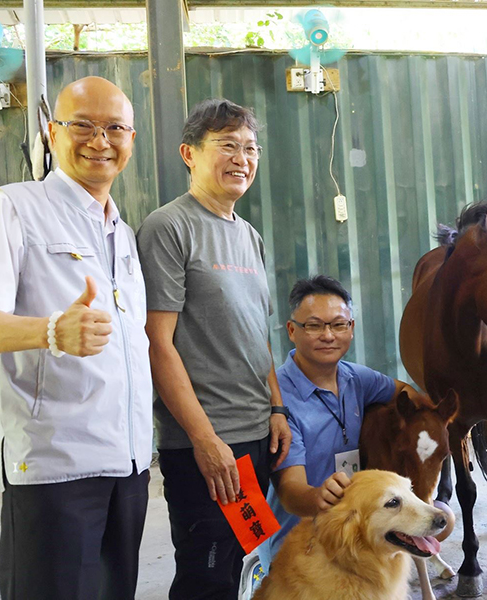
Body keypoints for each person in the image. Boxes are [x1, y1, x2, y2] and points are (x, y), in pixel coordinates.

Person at [0, 76, 152, 600]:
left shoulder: (122, 232)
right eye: (81, 125)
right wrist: (49, 331)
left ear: (131, 138)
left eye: (115, 128)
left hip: (127, 464)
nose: (99, 140)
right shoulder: (13, 207)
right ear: (50, 130)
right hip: (54, 466)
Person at [136, 98, 291, 600]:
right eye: (227, 145)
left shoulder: (249, 236)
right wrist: (204, 441)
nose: (241, 158)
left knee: (244, 564)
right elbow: (157, 343)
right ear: (189, 153)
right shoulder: (168, 227)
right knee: (204, 576)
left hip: (255, 438)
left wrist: (276, 406)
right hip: (204, 445)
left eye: (250, 148)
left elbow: (256, 332)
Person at [257, 275, 426, 571]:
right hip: (301, 547)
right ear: (291, 331)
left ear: (351, 329)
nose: (328, 335)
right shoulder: (279, 399)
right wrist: (320, 496)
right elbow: (290, 493)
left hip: (352, 540)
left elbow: (407, 395)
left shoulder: (356, 378)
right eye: (314, 325)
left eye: (338, 324)